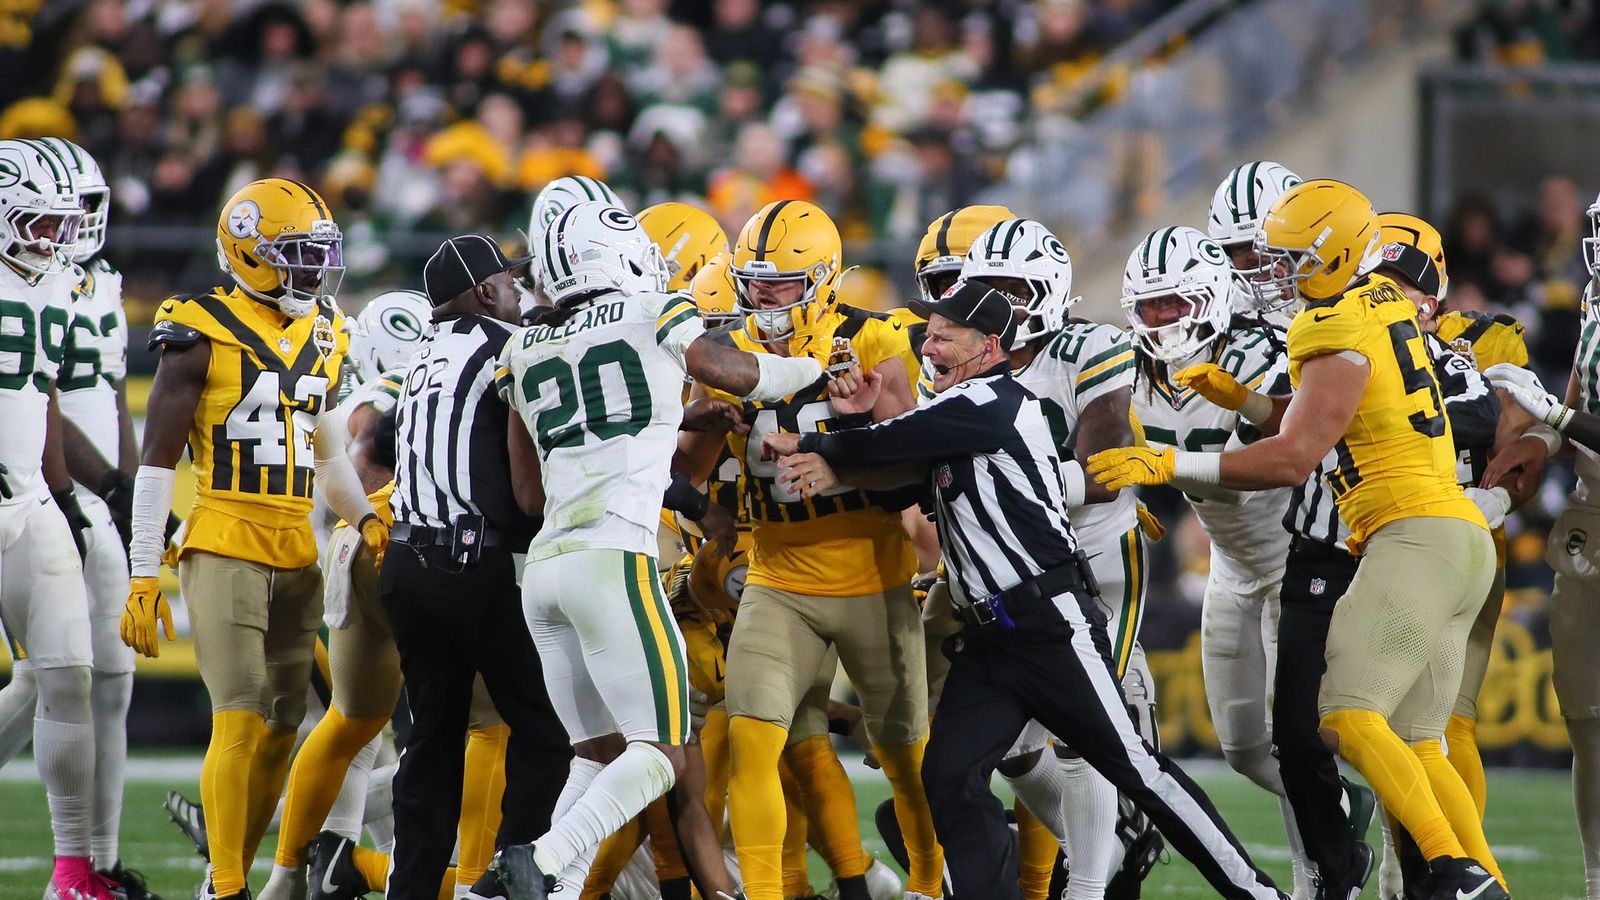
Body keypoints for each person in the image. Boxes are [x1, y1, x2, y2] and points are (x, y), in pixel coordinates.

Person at [765, 278, 1288, 900]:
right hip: (989, 639)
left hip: (1049, 623)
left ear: (989, 346)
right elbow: (899, 478)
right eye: (929, 334)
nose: (927, 347)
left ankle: (1260, 895)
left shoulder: (992, 399)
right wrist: (850, 434)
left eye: (945, 336)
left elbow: (893, 442)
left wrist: (813, 442)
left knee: (1140, 773)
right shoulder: (958, 413)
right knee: (948, 776)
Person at [1089, 179, 1509, 900]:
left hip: (1405, 535)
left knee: (1346, 717)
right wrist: (1250, 402)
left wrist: (1167, 463)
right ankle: (1484, 881)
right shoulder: (1384, 301)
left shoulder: (1324, 325)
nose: (1269, 274)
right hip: (1454, 531)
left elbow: (1291, 457)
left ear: (1336, 254)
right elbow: (1325, 408)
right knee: (1418, 743)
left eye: (1287, 259)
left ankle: (1449, 871)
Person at [488, 200, 828, 900]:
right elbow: (743, 374)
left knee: (594, 759)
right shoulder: (654, 310)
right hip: (614, 560)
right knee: (663, 753)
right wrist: (813, 369)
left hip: (545, 572)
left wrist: (663, 419)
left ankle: (526, 891)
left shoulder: (520, 348)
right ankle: (542, 859)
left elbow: (528, 493)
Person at [675, 199, 945, 900]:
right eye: (753, 283)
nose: (764, 298)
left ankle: (927, 883)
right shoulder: (724, 354)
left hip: (871, 576)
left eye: (780, 284)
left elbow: (914, 468)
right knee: (754, 742)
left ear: (823, 279)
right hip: (777, 579)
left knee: (905, 756)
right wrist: (698, 425)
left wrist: (844, 446)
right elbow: (683, 472)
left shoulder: (874, 338)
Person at [119, 177, 373, 900]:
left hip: (296, 545)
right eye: (298, 254)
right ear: (250, 253)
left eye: (319, 254)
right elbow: (156, 462)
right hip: (225, 535)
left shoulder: (326, 331)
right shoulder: (199, 326)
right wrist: (144, 573)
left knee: (284, 725)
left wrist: (366, 520)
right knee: (238, 712)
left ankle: (218, 876)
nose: (313, 270)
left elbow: (330, 460)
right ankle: (229, 886)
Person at [1120, 223, 1318, 897]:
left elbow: (1285, 458)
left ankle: (1321, 875)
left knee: (1295, 744)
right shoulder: (1130, 368)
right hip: (1231, 565)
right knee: (1243, 748)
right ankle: (1342, 808)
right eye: (1149, 306)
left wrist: (1171, 464)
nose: (1161, 319)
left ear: (1211, 298)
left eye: (1173, 303)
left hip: (1296, 558)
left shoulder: (1261, 351)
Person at [377, 234, 574, 900]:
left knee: (431, 742)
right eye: (510, 282)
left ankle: (410, 889)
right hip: (470, 564)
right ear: (486, 291)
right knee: (546, 732)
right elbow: (528, 482)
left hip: (405, 564)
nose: (518, 290)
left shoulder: (420, 352)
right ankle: (505, 882)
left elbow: (377, 441)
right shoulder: (504, 346)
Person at [0, 137, 157, 899]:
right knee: (47, 680)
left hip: (35, 497)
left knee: (77, 674)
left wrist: (99, 494)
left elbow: (50, 398)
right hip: (34, 491)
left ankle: (79, 871)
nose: (57, 235)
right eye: (40, 220)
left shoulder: (65, 282)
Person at [1478, 192, 1600, 900]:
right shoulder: (1593, 304)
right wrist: (1539, 437)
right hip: (1590, 511)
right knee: (1586, 717)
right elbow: (1579, 410)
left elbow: (1568, 411)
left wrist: (1550, 412)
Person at [1207, 161, 1303, 322]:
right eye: (1241, 247)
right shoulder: (1225, 320)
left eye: (1268, 242)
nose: (1256, 254)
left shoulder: (1343, 289)